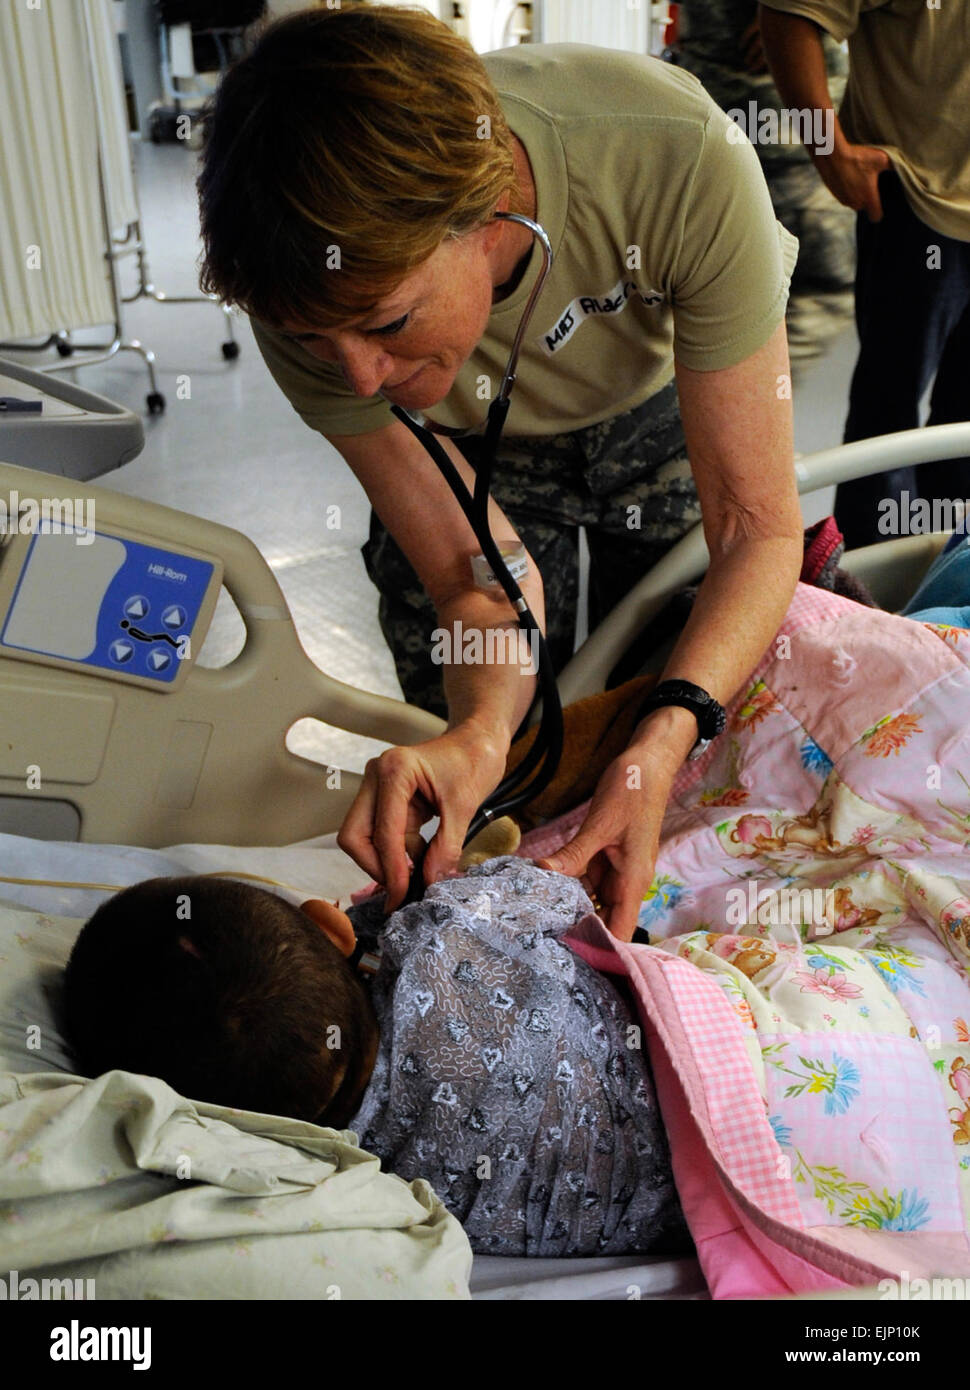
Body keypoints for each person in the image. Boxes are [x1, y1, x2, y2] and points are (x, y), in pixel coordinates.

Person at [196, 4, 805, 941]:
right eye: (319, 340)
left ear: (489, 219)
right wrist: (478, 736)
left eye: (390, 322)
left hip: (664, 402)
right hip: (476, 450)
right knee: (495, 779)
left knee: (667, 744)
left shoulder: (677, 158)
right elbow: (465, 578)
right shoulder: (306, 295)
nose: (356, 377)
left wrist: (665, 733)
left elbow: (757, 528)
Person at [61, 865, 691, 1258]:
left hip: (687, 1216)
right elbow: (554, 887)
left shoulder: (347, 1175)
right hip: (721, 1051)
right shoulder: (442, 933)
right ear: (331, 927)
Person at [758, 0, 970, 551]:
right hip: (919, 200)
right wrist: (830, 153)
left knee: (964, 428)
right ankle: (867, 600)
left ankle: (949, 598)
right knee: (888, 416)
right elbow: (789, 15)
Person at [674, 0, 855, 362]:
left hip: (762, 132)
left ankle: (749, 403)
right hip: (762, 135)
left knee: (713, 294)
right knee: (813, 290)